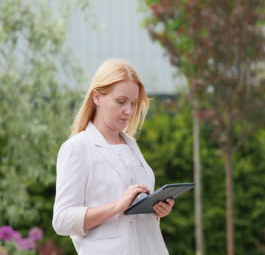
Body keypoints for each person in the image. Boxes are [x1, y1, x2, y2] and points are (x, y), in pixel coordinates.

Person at [52, 60, 174, 255]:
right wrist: (117, 206)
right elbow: (62, 220)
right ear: (97, 97)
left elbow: (134, 217)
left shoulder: (131, 145)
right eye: (121, 101)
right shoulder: (77, 148)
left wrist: (157, 210)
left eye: (133, 103)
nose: (129, 110)